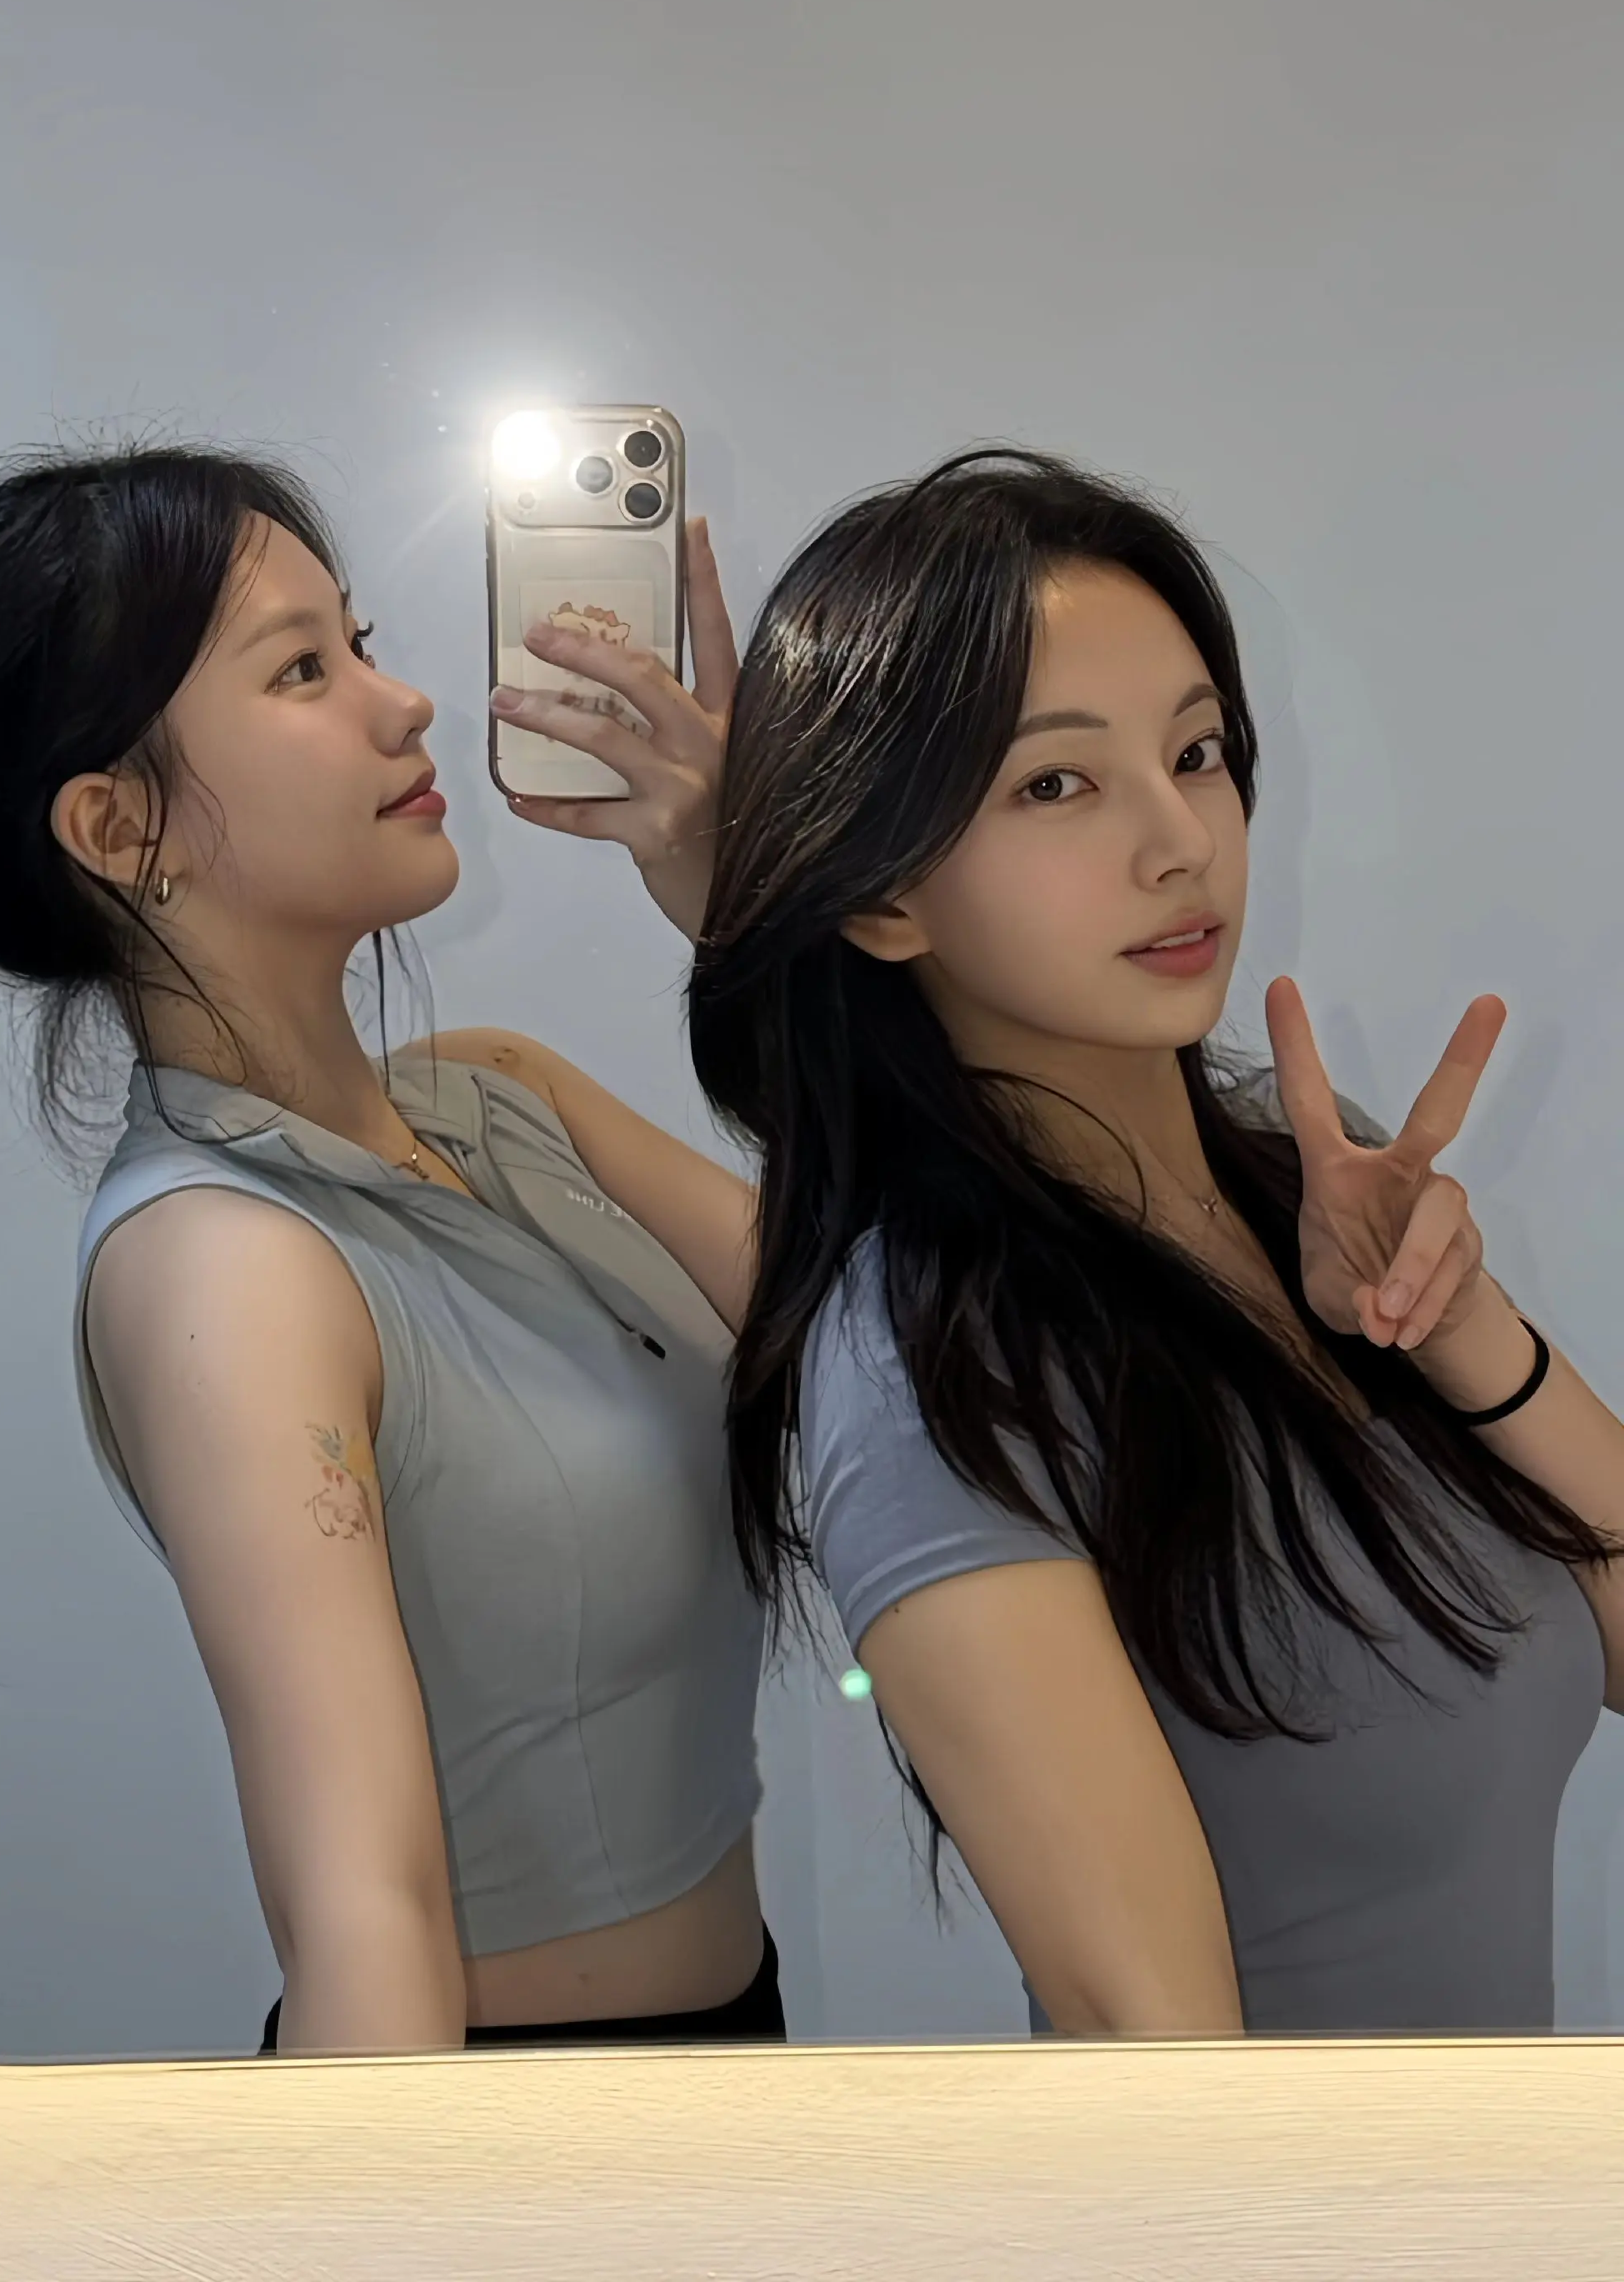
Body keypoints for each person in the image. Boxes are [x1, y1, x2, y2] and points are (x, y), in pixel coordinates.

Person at [0, 443, 781, 2054]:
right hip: (504, 2133)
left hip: (729, 2071)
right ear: (117, 824)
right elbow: (362, 1910)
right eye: (302, 670)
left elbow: (927, 1346)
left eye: (363, 641)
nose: (404, 705)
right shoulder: (225, 1267)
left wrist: (757, 913)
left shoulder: (504, 1101)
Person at [685, 446, 1624, 2037]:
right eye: (1056, 785)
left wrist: (1460, 1330)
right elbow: (1151, 2038)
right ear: (883, 896)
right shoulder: (934, 1363)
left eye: (1195, 753)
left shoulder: (1303, 1189)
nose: (1180, 838)